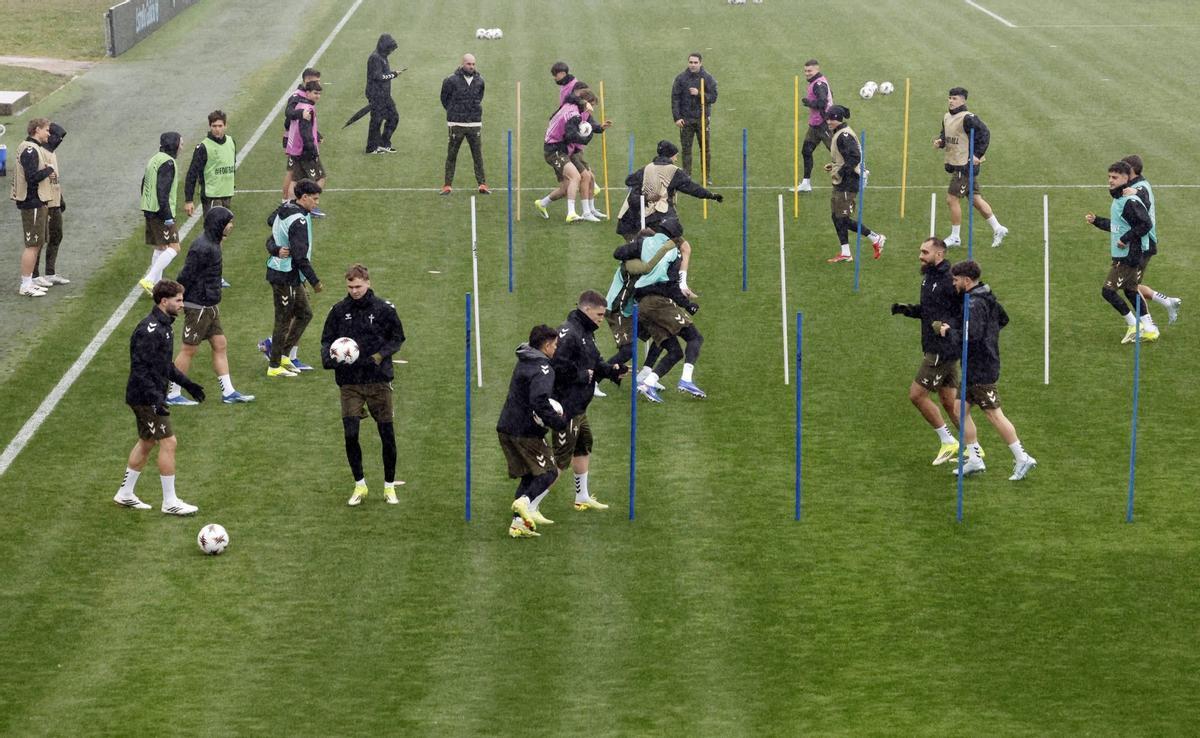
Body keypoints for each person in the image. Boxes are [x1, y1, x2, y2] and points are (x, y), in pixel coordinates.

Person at [936, 260, 1037, 480]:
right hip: (976, 363)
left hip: (981, 366)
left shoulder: (973, 304)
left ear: (966, 280)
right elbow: (1003, 319)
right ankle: (974, 458)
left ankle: (1022, 458)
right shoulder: (986, 295)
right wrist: (990, 335)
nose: (953, 283)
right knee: (960, 409)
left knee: (993, 414)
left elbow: (971, 335)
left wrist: (948, 331)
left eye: (956, 280)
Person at [113, 279, 205, 515]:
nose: (182, 305)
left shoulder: (164, 325)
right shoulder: (150, 330)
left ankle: (125, 493)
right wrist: (156, 399)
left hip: (147, 395)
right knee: (169, 442)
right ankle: (170, 501)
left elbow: (165, 366)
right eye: (178, 300)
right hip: (144, 397)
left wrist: (189, 384)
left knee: (147, 441)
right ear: (164, 301)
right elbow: (140, 369)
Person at [320, 264, 407, 506]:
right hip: (350, 383)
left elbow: (398, 338)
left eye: (358, 286)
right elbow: (326, 340)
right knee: (350, 434)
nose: (354, 291)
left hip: (379, 381)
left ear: (367, 282)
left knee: (386, 434)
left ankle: (389, 487)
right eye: (350, 287)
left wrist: (379, 356)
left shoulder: (384, 309)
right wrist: (328, 358)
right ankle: (360, 485)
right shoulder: (338, 310)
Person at [890, 237, 981, 465]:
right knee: (950, 403)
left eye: (924, 252)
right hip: (939, 347)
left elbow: (966, 307)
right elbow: (931, 310)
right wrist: (908, 310)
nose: (920, 256)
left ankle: (948, 441)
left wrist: (952, 330)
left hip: (942, 348)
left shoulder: (951, 280)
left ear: (938, 254)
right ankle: (975, 449)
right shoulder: (929, 276)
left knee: (917, 395)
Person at [548, 291, 629, 519]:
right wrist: (582, 375)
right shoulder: (569, 333)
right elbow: (557, 366)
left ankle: (581, 497)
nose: (602, 319)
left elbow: (595, 362)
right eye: (600, 315)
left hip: (579, 407)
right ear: (587, 310)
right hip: (566, 407)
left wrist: (612, 371)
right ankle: (527, 505)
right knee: (560, 461)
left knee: (583, 445)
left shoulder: (585, 332)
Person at [165, 206, 254, 406]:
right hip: (199, 306)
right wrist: (177, 299)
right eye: (228, 222)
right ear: (218, 224)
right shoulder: (203, 247)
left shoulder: (212, 243)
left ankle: (228, 392)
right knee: (188, 349)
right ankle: (172, 393)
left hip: (209, 305)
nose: (231, 226)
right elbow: (185, 275)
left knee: (220, 344)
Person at [615, 140, 721, 294]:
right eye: (675, 156)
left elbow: (629, 180)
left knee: (638, 257)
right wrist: (711, 195)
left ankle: (632, 289)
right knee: (683, 248)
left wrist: (648, 188)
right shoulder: (673, 171)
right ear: (671, 156)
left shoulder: (646, 169)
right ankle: (680, 286)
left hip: (627, 221)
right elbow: (692, 188)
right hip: (649, 219)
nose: (676, 159)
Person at [612, 232, 706, 402]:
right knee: (695, 338)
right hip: (657, 303)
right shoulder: (666, 257)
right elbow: (668, 287)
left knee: (675, 351)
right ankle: (685, 380)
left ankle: (648, 383)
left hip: (642, 307)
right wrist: (687, 304)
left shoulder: (645, 259)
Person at [497, 325, 568, 538]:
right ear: (546, 345)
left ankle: (518, 525)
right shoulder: (543, 369)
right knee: (549, 472)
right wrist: (557, 422)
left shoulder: (524, 360)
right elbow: (539, 399)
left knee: (529, 474)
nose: (556, 349)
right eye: (554, 345)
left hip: (506, 427)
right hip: (525, 432)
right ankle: (524, 503)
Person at [1085, 160, 1159, 343]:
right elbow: (1118, 226)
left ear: (1126, 178)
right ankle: (1149, 328)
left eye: (1115, 177)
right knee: (1131, 291)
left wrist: (1125, 239)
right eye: (1109, 177)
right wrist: (1097, 221)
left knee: (1108, 291)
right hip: (1127, 254)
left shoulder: (1128, 201)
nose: (1110, 180)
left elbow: (1145, 224)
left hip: (1127, 256)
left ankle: (1133, 325)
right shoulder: (1119, 200)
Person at [933, 87, 1007, 248]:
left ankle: (955, 237)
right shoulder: (947, 117)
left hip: (964, 166)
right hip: (957, 163)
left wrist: (977, 155)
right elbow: (946, 134)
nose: (951, 101)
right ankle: (998, 228)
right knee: (976, 200)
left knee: (952, 199)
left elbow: (985, 133)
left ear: (963, 100)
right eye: (950, 98)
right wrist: (941, 142)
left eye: (955, 98)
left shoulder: (969, 118)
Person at [265, 179, 324, 377]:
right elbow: (299, 257)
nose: (316, 203)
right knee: (282, 320)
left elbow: (270, 221)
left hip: (290, 274)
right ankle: (274, 366)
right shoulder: (298, 220)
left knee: (305, 313)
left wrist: (275, 246)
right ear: (304, 197)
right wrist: (315, 281)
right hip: (285, 274)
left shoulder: (286, 207)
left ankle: (283, 354)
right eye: (314, 199)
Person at [1121, 155, 1181, 324]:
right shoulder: (1135, 184)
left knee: (1129, 286)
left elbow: (1144, 195)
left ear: (1131, 170)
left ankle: (1149, 325)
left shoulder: (1140, 187)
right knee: (1129, 285)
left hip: (1144, 244)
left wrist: (1136, 193)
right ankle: (1168, 302)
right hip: (1140, 243)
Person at [822, 105, 886, 263]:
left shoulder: (844, 135)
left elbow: (854, 157)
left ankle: (876, 238)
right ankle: (846, 252)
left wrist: (841, 171)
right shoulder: (840, 133)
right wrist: (835, 165)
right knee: (837, 216)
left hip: (848, 181)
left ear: (838, 119)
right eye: (827, 118)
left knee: (841, 217)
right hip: (844, 180)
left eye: (831, 118)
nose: (828, 121)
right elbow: (845, 157)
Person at [532, 88, 607, 222]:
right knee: (576, 177)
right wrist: (587, 136)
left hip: (561, 149)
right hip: (554, 150)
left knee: (566, 188)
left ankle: (542, 203)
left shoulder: (570, 104)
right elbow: (571, 135)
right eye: (592, 104)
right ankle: (572, 213)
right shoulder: (573, 115)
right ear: (586, 102)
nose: (592, 109)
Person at [11, 118, 56, 297]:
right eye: (46, 130)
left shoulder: (33, 148)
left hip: (37, 201)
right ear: (37, 130)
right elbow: (31, 177)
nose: (49, 134)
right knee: (32, 244)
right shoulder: (30, 149)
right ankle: (25, 284)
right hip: (32, 202)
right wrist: (48, 170)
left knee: (37, 243)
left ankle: (31, 280)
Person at [137, 132, 184, 295]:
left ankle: (156, 287)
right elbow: (162, 191)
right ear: (175, 145)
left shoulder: (154, 159)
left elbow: (144, 183)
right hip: (160, 211)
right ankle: (149, 279)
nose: (181, 147)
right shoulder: (168, 163)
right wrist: (168, 216)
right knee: (174, 247)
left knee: (161, 247)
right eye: (180, 143)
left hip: (149, 209)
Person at [440, 53, 489, 195]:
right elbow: (444, 98)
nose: (471, 66)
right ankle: (447, 185)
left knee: (477, 155)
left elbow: (479, 97)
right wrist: (454, 111)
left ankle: (482, 184)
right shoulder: (451, 80)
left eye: (473, 64)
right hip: (456, 123)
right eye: (469, 64)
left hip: (474, 124)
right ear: (462, 64)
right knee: (452, 155)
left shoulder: (480, 81)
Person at [31, 122, 71, 288]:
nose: (59, 139)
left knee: (56, 236)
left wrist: (60, 198)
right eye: (53, 135)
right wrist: (44, 124)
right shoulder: (42, 153)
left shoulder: (52, 153)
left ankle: (50, 273)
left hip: (55, 203)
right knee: (41, 240)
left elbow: (55, 180)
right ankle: (34, 275)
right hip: (45, 203)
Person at [671, 52, 717, 182]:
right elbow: (675, 99)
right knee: (686, 149)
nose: (693, 65)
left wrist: (699, 93)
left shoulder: (707, 78)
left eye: (695, 62)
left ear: (700, 63)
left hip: (702, 119)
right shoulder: (681, 79)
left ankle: (706, 176)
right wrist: (677, 118)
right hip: (686, 120)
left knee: (705, 149)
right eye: (690, 62)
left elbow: (713, 97)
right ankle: (686, 176)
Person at [184, 110, 236, 218]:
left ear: (225, 126)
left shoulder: (231, 142)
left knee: (224, 230)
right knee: (214, 230)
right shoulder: (203, 147)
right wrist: (189, 200)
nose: (217, 129)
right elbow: (192, 174)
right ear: (210, 126)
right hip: (211, 197)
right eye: (214, 126)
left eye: (220, 126)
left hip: (227, 194)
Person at [281, 68, 321, 201]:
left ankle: (288, 201)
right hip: (295, 140)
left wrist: (317, 134)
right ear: (307, 81)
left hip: (297, 139)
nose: (318, 84)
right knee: (292, 173)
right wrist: (301, 114)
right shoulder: (297, 96)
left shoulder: (306, 95)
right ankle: (287, 200)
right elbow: (289, 113)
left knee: (294, 174)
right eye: (316, 81)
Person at [795, 59, 834, 193]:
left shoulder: (818, 84)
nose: (807, 73)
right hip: (815, 125)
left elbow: (823, 102)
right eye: (805, 71)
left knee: (838, 153)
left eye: (809, 71)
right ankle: (806, 183)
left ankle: (862, 173)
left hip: (824, 124)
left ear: (817, 69)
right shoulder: (818, 82)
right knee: (806, 151)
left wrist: (809, 103)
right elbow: (830, 95)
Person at [365, 34, 401, 154]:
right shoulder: (375, 58)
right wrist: (393, 75)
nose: (391, 51)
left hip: (384, 95)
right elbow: (378, 76)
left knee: (393, 117)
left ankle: (383, 143)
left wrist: (392, 73)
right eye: (390, 48)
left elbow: (383, 73)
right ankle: (371, 147)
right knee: (376, 120)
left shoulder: (382, 56)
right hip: (376, 95)